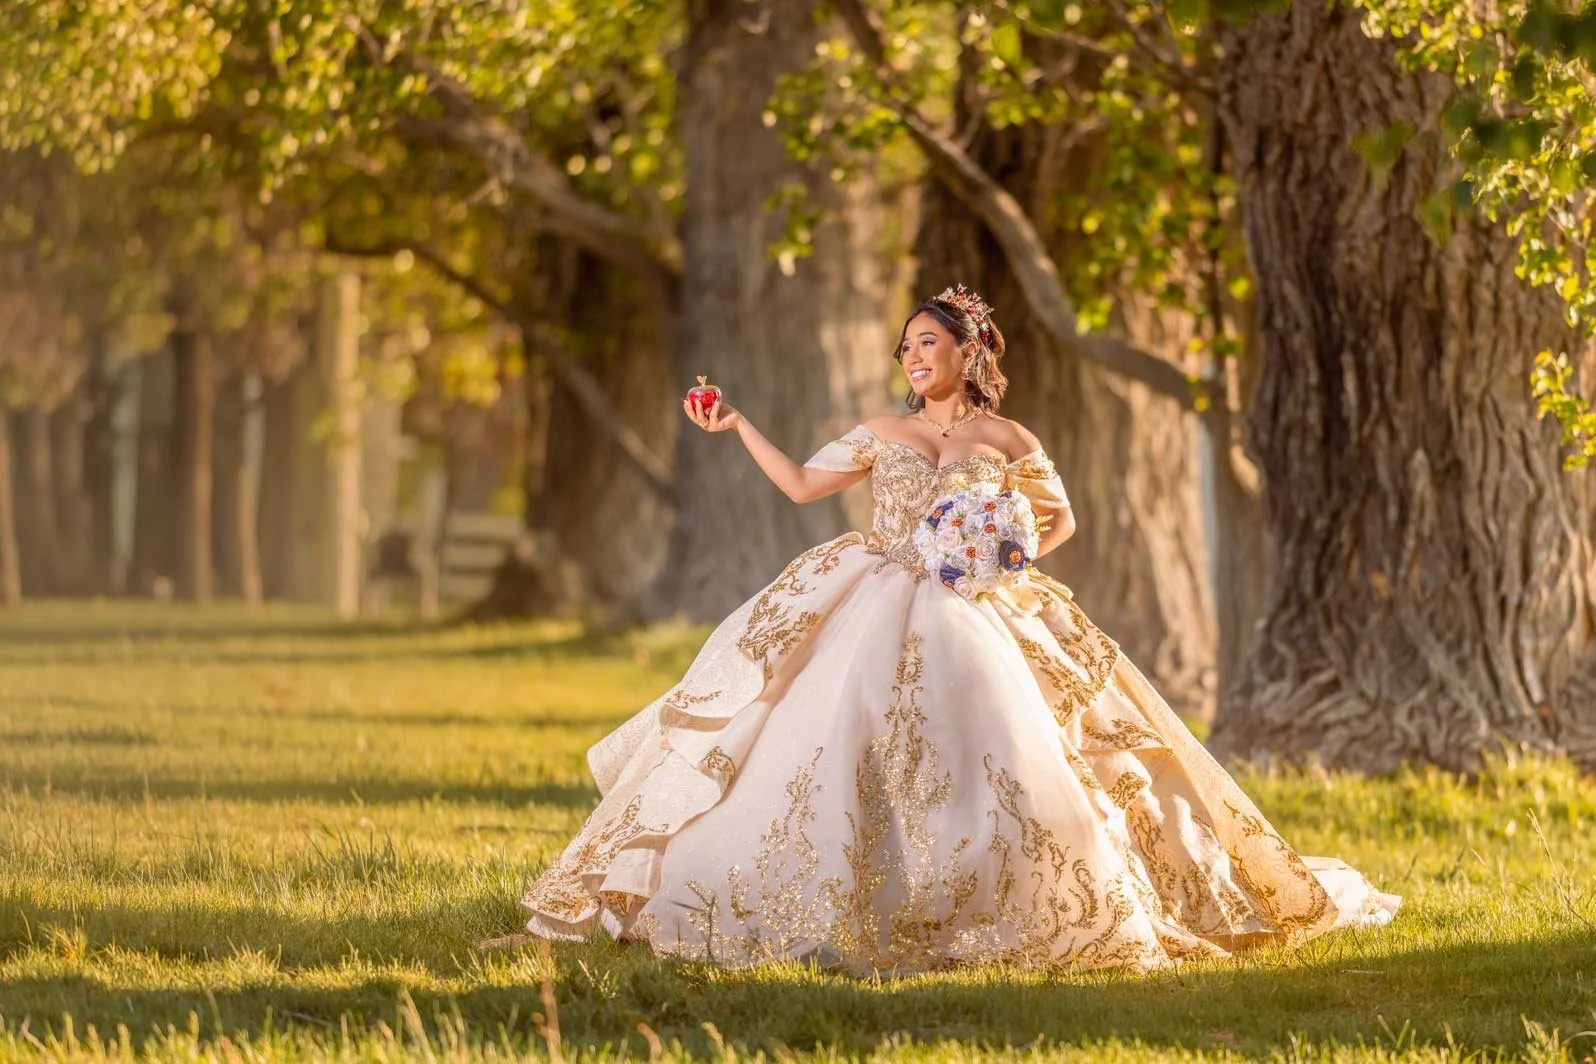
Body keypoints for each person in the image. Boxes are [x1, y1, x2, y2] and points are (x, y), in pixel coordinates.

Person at [518, 285, 1398, 973]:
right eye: (905, 346)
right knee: (836, 730)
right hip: (874, 593)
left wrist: (1004, 562)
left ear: (967, 350)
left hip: (972, 605)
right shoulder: (881, 430)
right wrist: (738, 423)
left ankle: (1001, 895)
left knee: (998, 741)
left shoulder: (1007, 437)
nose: (913, 357)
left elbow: (1060, 522)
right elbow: (797, 485)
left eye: (927, 341)